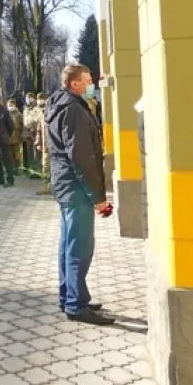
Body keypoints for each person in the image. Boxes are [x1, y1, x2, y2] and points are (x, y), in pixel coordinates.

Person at [47, 64, 113, 325]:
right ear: (74, 84)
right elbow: (81, 157)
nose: (91, 85)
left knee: (68, 244)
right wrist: (98, 197)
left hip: (65, 185)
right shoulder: (74, 109)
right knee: (79, 247)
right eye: (87, 81)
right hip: (76, 188)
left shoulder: (59, 103)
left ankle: (71, 295)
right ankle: (76, 305)